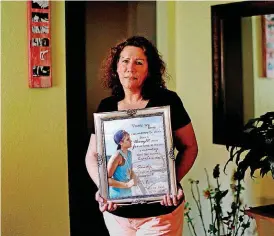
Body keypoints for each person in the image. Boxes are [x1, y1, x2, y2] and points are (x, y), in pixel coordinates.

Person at [85, 35, 198, 236]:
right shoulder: (106, 106)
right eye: (125, 61)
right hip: (118, 216)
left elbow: (189, 147)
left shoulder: (167, 100)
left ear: (149, 69)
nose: (131, 68)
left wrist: (171, 183)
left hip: (160, 215)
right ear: (116, 67)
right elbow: (92, 156)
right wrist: (103, 188)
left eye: (139, 62)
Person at [108, 130, 136, 199]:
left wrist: (133, 178)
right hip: (117, 197)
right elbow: (106, 180)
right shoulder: (116, 156)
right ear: (121, 142)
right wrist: (127, 185)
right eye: (128, 139)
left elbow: (130, 170)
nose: (131, 141)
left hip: (128, 195)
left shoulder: (129, 153)